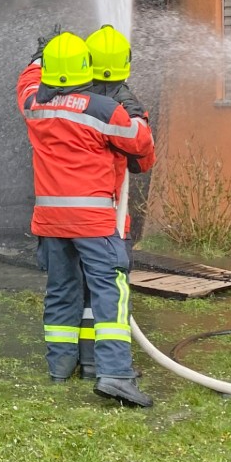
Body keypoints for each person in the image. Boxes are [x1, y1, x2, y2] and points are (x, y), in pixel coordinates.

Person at [18, 31, 156, 407]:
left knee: (62, 290)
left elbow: (27, 83)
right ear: (85, 68)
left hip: (50, 221)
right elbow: (141, 147)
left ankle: (61, 369)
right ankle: (115, 374)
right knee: (110, 293)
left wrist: (36, 59)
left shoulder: (35, 106)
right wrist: (137, 115)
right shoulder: (102, 109)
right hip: (94, 221)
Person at [73, 24, 152, 379]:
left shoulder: (68, 96)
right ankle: (108, 368)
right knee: (109, 292)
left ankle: (79, 358)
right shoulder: (123, 105)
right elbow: (142, 160)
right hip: (107, 217)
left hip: (66, 218)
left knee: (77, 289)